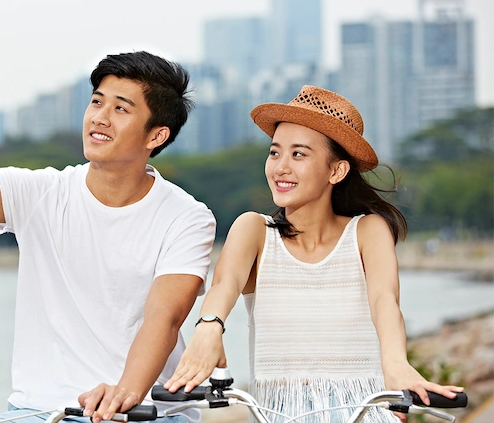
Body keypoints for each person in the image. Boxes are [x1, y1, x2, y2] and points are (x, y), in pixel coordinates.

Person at [0, 26, 216, 423]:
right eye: (96, 102)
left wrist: (125, 393)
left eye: (121, 108)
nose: (100, 117)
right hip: (39, 411)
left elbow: (164, 317)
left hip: (147, 412)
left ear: (157, 135)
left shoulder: (186, 217)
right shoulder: (42, 193)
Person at [163, 86, 464, 423]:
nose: (280, 167)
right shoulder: (254, 230)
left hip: (365, 408)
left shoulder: (367, 231)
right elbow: (224, 285)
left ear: (336, 171)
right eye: (275, 153)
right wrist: (209, 327)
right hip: (277, 412)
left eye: (299, 155)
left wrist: (396, 363)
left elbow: (385, 302)